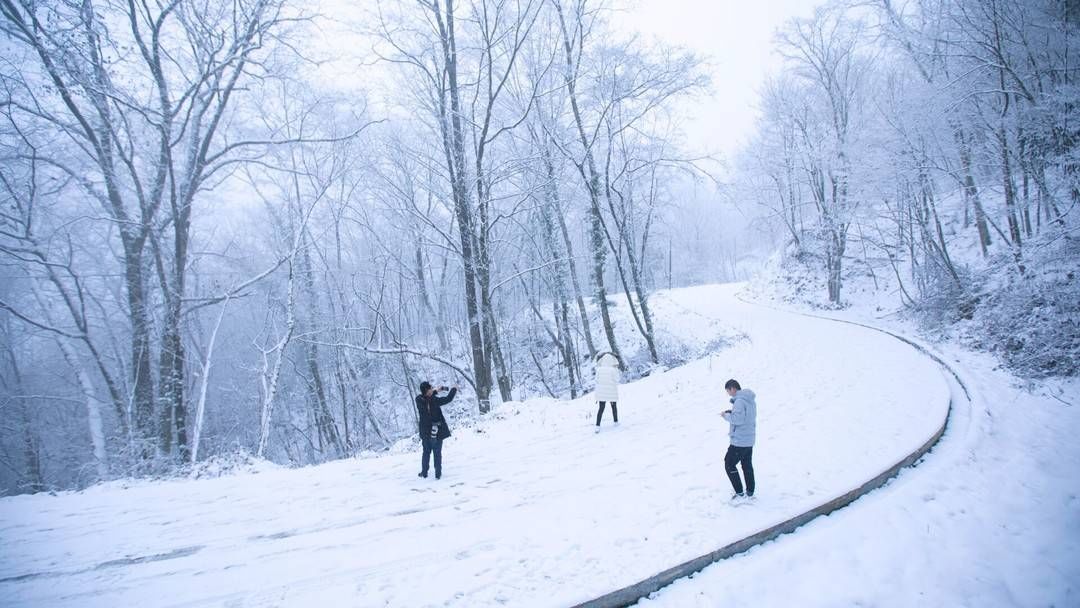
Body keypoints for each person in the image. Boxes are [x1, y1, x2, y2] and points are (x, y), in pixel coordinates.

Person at [721, 379, 757, 500]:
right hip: (749, 439)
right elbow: (745, 417)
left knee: (729, 464)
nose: (728, 393)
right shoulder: (750, 400)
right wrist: (732, 412)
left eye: (728, 390)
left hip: (739, 441)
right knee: (747, 465)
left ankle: (739, 492)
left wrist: (726, 415)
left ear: (733, 388)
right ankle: (750, 491)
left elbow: (738, 420)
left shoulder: (739, 401)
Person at [416, 381, 457, 480]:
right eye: (431, 388)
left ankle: (424, 473)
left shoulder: (418, 400)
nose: (432, 388)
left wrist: (436, 390)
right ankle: (438, 474)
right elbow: (448, 399)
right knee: (437, 453)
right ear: (427, 391)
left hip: (425, 432)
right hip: (436, 431)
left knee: (426, 452)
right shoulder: (434, 401)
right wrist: (454, 389)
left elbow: (427, 398)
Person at [594, 352, 621, 431]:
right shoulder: (613, 370)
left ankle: (597, 426)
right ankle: (615, 422)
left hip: (601, 393)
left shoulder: (598, 370)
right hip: (611, 392)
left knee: (601, 408)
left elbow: (596, 380)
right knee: (614, 407)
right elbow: (617, 380)